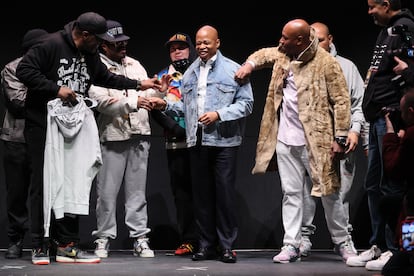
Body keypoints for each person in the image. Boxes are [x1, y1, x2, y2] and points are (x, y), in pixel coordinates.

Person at [15, 12, 166, 265]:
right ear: (84, 35)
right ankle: (40, 244)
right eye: (97, 40)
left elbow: (105, 77)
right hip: (44, 125)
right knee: (44, 183)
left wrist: (140, 84)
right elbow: (24, 70)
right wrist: (56, 89)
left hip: (73, 124)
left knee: (74, 182)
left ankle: (67, 246)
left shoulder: (90, 53)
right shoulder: (51, 45)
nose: (100, 46)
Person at [234, 18, 351, 264]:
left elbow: (342, 101)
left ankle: (343, 242)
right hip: (286, 140)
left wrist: (340, 136)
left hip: (317, 142)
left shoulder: (326, 63)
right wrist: (249, 65)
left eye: (285, 38)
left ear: (300, 40)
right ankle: (291, 244)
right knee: (291, 193)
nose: (281, 41)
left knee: (330, 193)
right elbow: (263, 54)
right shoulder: (283, 54)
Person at [152, 25, 254, 263]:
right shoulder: (189, 74)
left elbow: (246, 104)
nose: (202, 47)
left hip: (224, 141)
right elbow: (186, 109)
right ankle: (206, 245)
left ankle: (226, 246)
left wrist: (219, 114)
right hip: (196, 139)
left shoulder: (234, 70)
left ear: (217, 43)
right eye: (198, 43)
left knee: (224, 195)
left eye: (207, 42)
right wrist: (165, 104)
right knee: (201, 196)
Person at [346, 0, 414, 271]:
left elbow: (409, 65)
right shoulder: (387, 31)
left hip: (392, 118)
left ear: (387, 4)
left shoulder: (406, 28)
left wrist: (409, 74)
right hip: (378, 117)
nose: (369, 11)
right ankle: (379, 245)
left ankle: (396, 248)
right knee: (374, 185)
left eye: (373, 6)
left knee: (392, 187)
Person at [89, 19, 166, 259]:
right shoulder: (96, 67)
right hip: (112, 135)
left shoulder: (135, 64)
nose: (122, 46)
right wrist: (134, 102)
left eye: (123, 41)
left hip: (139, 134)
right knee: (107, 193)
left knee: (137, 193)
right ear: (103, 45)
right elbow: (101, 102)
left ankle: (140, 238)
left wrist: (159, 91)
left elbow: (145, 92)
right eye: (116, 43)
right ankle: (103, 237)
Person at [299, 22, 369, 260]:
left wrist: (356, 131)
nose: (315, 44)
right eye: (311, 40)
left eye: (319, 39)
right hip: (309, 141)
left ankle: (343, 240)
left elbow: (358, 105)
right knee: (304, 193)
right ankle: (302, 239)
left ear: (330, 39)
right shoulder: (301, 66)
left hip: (341, 141)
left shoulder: (346, 67)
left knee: (339, 195)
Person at [0, 28, 48, 259]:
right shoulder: (12, 68)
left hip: (44, 138)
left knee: (43, 192)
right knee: (17, 193)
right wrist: (51, 91)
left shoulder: (50, 69)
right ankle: (16, 239)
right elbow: (18, 103)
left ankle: (43, 240)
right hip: (16, 139)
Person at [150, 32, 198, 256]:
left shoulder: (201, 72)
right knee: (182, 195)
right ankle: (189, 239)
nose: (177, 51)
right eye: (172, 48)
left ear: (191, 49)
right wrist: (178, 130)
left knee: (205, 192)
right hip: (176, 143)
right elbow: (155, 108)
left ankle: (211, 239)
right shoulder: (162, 77)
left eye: (181, 47)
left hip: (202, 143)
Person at [381, 86, 414, 276]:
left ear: (410, 112)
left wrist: (391, 136)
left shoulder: (410, 135)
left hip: (412, 210)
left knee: (393, 269)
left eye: (402, 112)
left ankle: (408, 250)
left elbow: (394, 169)